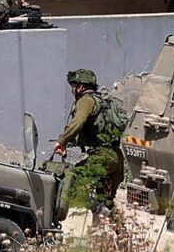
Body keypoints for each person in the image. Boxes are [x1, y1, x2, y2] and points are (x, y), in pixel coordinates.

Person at [53, 68, 125, 212]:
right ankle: (113, 223)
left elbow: (78, 122)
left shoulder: (86, 101)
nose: (72, 91)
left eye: (73, 87)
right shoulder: (104, 102)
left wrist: (62, 141)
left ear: (80, 87)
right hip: (116, 157)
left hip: (102, 157)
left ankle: (62, 217)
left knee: (72, 181)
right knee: (106, 201)